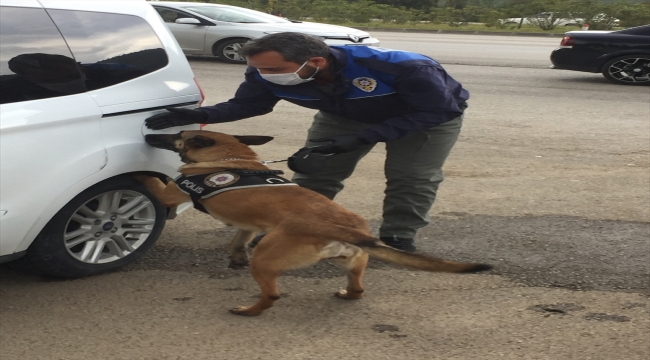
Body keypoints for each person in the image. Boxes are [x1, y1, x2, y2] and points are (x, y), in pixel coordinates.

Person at [145, 32, 469, 252]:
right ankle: (294, 229)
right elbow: (249, 105)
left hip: (425, 120)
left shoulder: (404, 67)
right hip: (342, 116)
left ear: (315, 62)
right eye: (257, 68)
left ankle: (399, 235)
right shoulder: (264, 72)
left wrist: (362, 137)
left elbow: (438, 109)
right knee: (316, 173)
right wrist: (193, 115)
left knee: (410, 177)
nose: (263, 74)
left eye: (273, 68)